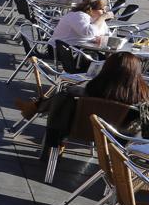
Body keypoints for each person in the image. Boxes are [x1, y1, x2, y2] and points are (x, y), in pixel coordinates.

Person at [18, 51, 149, 149]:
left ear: (107, 67)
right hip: (114, 141)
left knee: (63, 96)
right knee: (65, 96)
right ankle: (35, 106)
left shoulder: (94, 87)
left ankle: (35, 106)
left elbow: (70, 95)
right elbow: (145, 130)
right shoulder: (143, 96)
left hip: (77, 129)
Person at [48, 0, 112, 48]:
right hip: (62, 50)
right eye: (101, 9)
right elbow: (88, 32)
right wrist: (102, 18)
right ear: (90, 9)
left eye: (105, 9)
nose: (104, 12)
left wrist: (100, 38)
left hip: (81, 48)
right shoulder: (79, 16)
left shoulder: (97, 19)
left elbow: (107, 34)